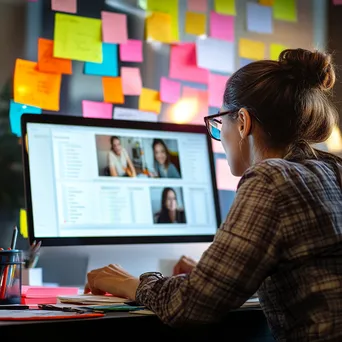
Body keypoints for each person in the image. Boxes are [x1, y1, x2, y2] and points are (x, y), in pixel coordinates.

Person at [85, 48, 342, 341]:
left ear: (243, 122)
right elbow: (310, 271)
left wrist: (130, 282)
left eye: (220, 124)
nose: (220, 137)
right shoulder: (333, 169)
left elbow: (190, 306)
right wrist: (218, 274)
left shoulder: (270, 178)